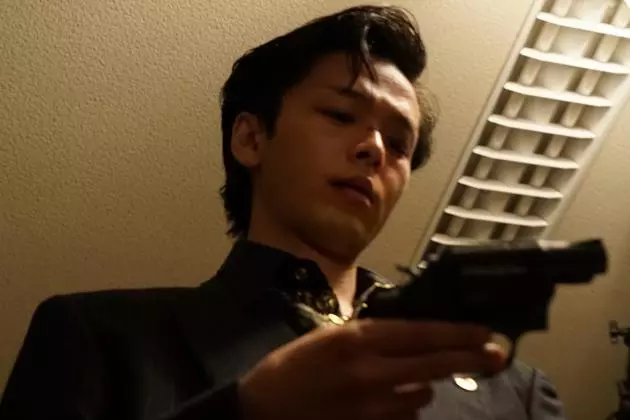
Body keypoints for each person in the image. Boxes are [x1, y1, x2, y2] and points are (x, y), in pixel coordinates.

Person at [0, 5, 566, 420]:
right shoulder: (100, 338)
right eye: (341, 115)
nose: (375, 148)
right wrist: (245, 414)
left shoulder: (513, 390)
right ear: (250, 139)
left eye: (399, 144)